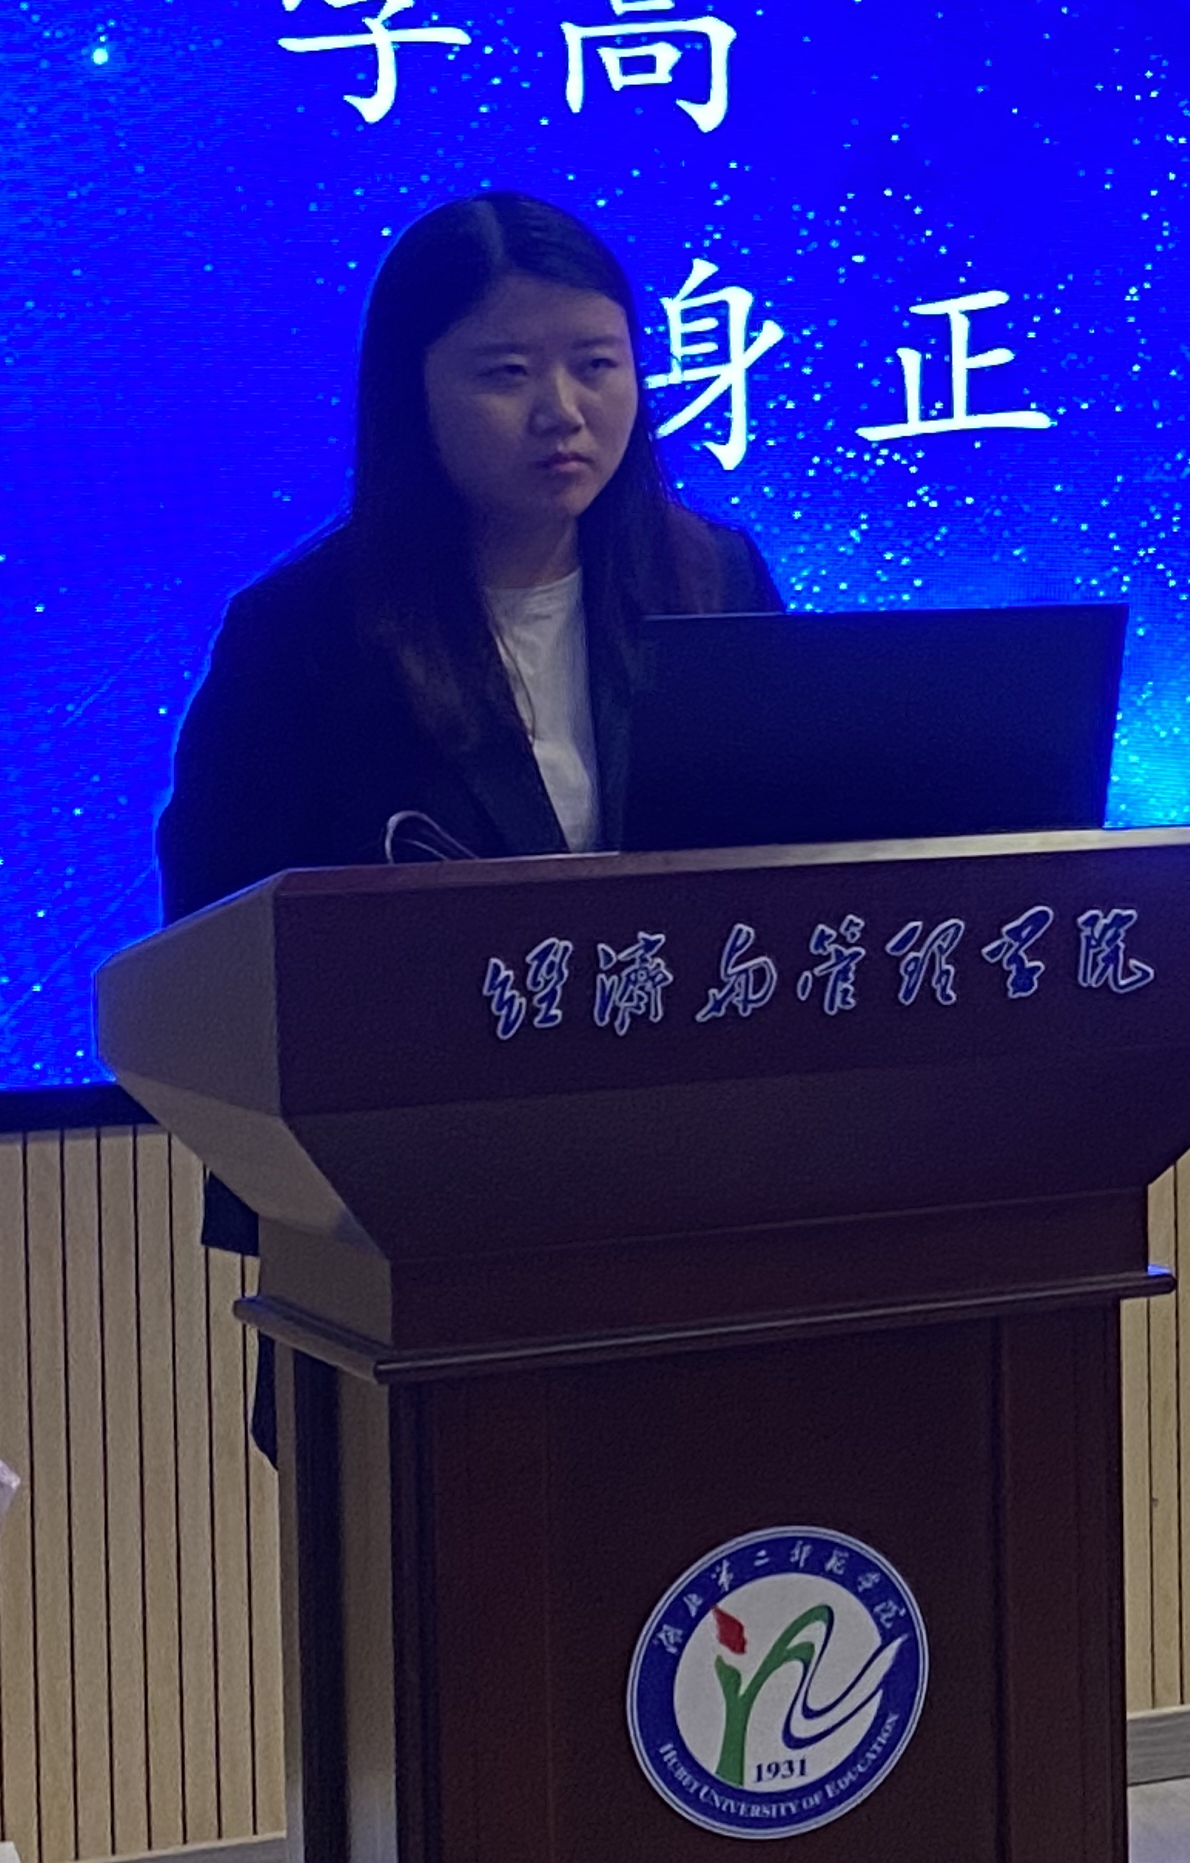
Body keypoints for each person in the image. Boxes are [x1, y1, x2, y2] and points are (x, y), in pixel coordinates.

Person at [159, 191, 780, 1265]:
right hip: (401, 1213)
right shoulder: (304, 637)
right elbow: (213, 942)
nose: (562, 411)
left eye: (598, 363)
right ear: (413, 393)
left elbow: (799, 866)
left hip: (690, 1186)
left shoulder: (712, 580)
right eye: (507, 373)